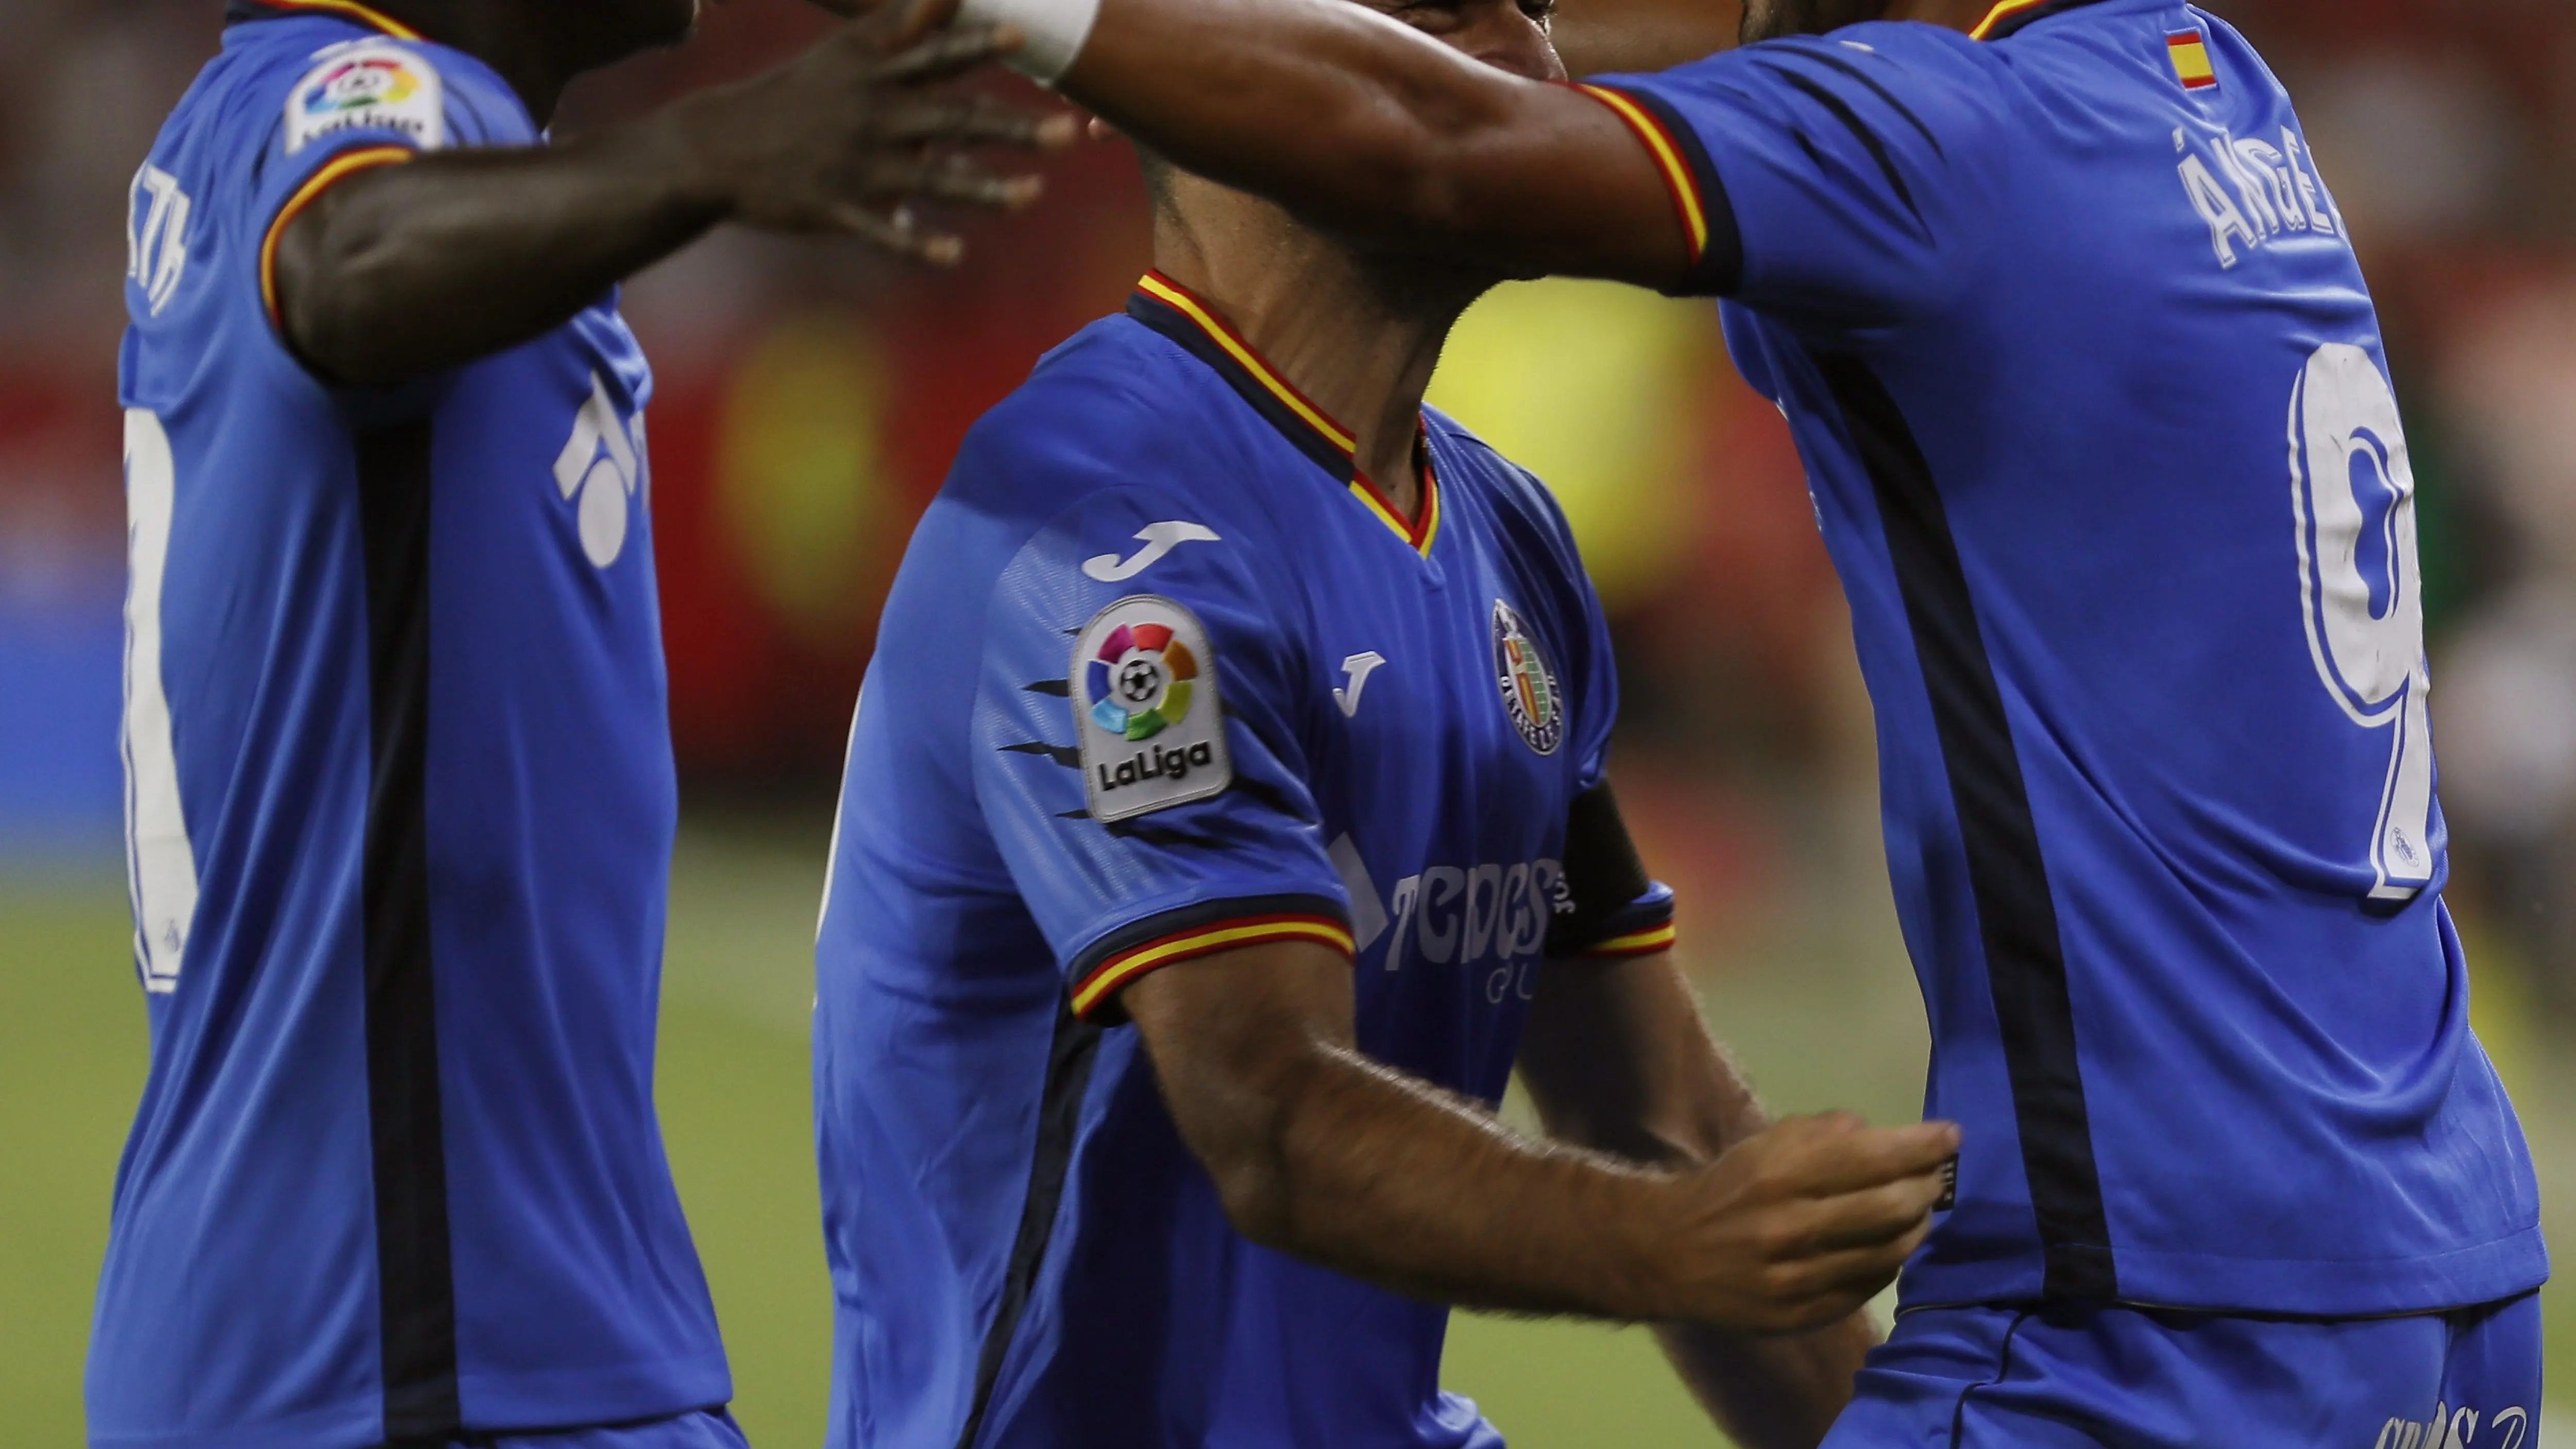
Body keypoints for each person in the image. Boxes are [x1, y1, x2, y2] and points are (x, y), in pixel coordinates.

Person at [883, 0, 2553, 1439]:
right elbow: (1490, 1114)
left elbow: (1442, 133)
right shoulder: (2197, 88)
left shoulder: (1937, 147)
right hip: (2442, 1255)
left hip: (2167, 1295)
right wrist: (1672, 1237)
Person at [808, 0, 1964, 1444]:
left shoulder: (1504, 536)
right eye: (1441, 12)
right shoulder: (1109, 542)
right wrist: (1668, 1242)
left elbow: (1663, 1118)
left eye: (1534, 8)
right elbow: (1271, 1115)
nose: (1535, 66)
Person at [94, 2, 1064, 1446]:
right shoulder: (375, 96)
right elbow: (346, 258)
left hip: (436, 1331)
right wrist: (711, 151)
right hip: (411, 1346)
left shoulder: (277, 128)